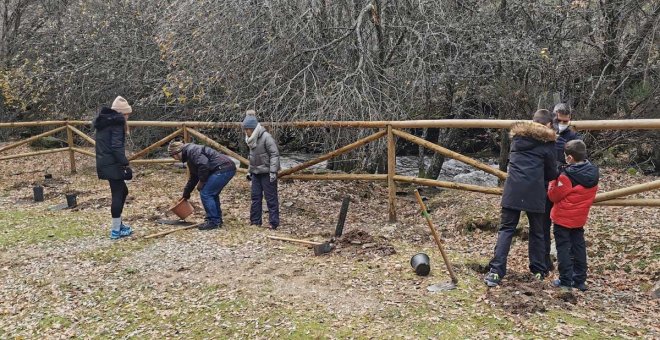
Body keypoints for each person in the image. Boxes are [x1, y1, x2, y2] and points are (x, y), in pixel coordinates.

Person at [484, 109, 558, 287]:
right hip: (535, 191)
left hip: (513, 189)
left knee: (506, 229)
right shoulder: (547, 144)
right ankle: (538, 270)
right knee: (537, 231)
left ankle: (496, 271)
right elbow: (551, 173)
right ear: (548, 125)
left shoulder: (517, 139)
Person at [547, 140, 599, 292]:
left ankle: (565, 280)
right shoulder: (593, 172)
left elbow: (553, 196)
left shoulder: (566, 176)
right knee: (578, 247)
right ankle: (580, 280)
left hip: (562, 217)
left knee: (563, 248)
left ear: (569, 158)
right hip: (579, 218)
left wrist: (553, 179)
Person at [542, 103, 582, 274]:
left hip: (565, 186)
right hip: (546, 184)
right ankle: (544, 260)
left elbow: (578, 159)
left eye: (566, 120)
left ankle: (568, 267)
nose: (562, 123)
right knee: (543, 224)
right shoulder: (544, 133)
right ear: (554, 117)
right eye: (559, 120)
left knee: (566, 228)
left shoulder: (574, 136)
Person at [167, 141, 236, 230]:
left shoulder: (192, 151)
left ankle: (213, 222)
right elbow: (193, 177)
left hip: (223, 168)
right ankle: (216, 220)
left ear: (177, 152)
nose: (175, 158)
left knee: (206, 193)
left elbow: (204, 165)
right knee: (212, 194)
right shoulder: (190, 156)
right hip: (224, 168)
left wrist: (202, 182)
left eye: (173, 155)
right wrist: (186, 194)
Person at [93, 96, 134, 239]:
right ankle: (116, 229)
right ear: (121, 113)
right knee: (118, 193)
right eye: (127, 113)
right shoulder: (116, 124)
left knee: (123, 191)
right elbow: (116, 147)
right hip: (112, 163)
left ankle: (119, 224)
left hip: (105, 162)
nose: (128, 116)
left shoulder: (105, 123)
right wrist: (125, 164)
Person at [242, 110, 281, 230]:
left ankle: (273, 223)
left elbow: (274, 154)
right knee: (255, 197)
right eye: (245, 129)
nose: (247, 131)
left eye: (248, 129)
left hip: (267, 173)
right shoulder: (250, 140)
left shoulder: (266, 137)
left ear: (254, 128)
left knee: (271, 198)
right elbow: (252, 157)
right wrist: (250, 171)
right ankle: (255, 221)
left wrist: (273, 171)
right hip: (256, 173)